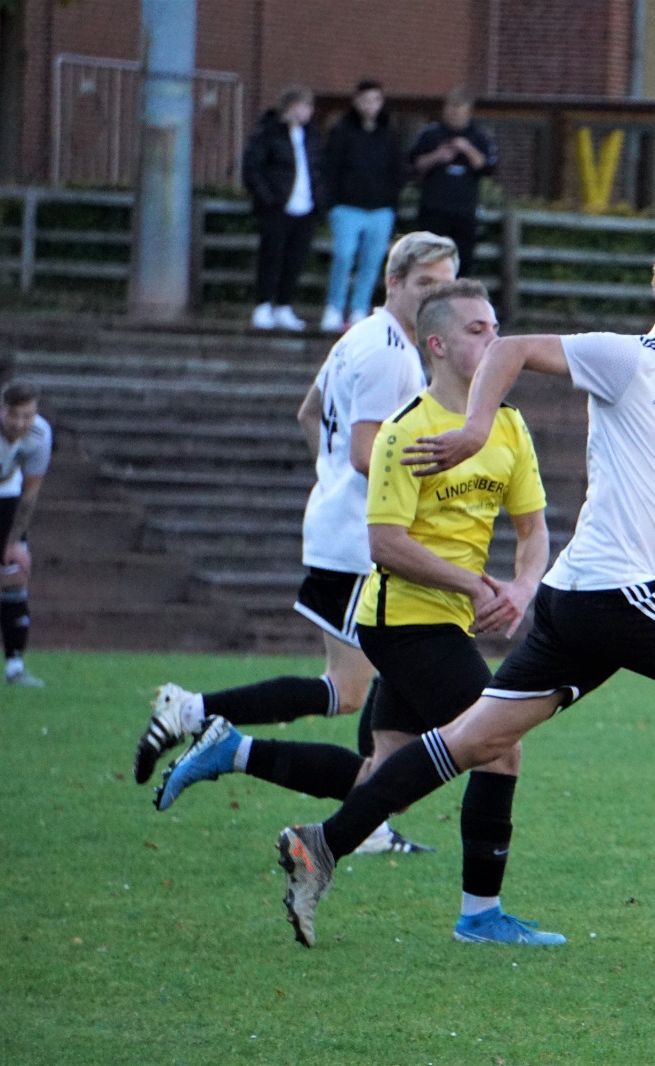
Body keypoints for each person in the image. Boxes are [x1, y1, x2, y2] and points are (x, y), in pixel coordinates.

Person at [272, 233, 655, 948]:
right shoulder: (628, 359)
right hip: (616, 591)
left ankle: (321, 845)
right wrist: (476, 428)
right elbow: (511, 350)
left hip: (578, 596)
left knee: (477, 739)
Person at [154, 281, 564, 945]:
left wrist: (522, 586)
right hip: (400, 619)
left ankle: (237, 751)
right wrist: (473, 584)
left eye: (496, 327)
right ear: (437, 345)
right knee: (499, 747)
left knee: (383, 776)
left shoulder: (508, 425)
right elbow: (385, 545)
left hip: (445, 617)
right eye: (478, 330)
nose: (496, 340)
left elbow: (534, 528)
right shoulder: (406, 431)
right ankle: (478, 916)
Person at [134, 231, 460, 854]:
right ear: (393, 282)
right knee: (350, 690)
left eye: (445, 286)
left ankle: (366, 822)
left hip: (344, 530)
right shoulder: (391, 351)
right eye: (424, 284)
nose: (434, 298)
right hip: (360, 542)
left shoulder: (361, 337)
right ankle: (194, 714)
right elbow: (366, 453)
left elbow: (308, 413)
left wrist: (329, 479)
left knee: (381, 683)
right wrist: (442, 472)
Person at [320, 79, 406, 333]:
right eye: (366, 100)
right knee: (344, 255)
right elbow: (330, 169)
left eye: (376, 100)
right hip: (347, 207)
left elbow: (398, 171)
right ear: (356, 101)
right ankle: (334, 307)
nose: (371, 105)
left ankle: (359, 308)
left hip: (380, 210)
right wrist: (332, 202)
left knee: (372, 261)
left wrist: (391, 201)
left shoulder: (388, 135)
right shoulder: (341, 132)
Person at [242, 85, 321, 332]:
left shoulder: (312, 135)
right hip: (277, 207)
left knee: (295, 259)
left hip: (306, 208)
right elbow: (252, 168)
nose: (309, 111)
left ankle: (284, 306)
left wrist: (320, 199)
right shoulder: (268, 132)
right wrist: (268, 198)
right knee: (271, 256)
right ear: (292, 106)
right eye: (305, 105)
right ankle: (263, 305)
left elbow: (319, 168)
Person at [0, 379, 52, 688]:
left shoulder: (40, 435)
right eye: (13, 415)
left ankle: (15, 666)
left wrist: (14, 541)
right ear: (0, 409)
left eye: (27, 415)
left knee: (16, 574)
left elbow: (30, 494)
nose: (20, 423)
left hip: (5, 493)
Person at [409, 88, 498, 277]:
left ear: (468, 110)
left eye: (459, 109)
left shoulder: (480, 136)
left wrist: (468, 149)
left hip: (464, 210)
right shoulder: (431, 133)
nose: (454, 113)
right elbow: (414, 164)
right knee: (429, 261)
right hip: (434, 208)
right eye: (451, 108)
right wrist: (437, 156)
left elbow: (488, 168)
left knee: (462, 262)